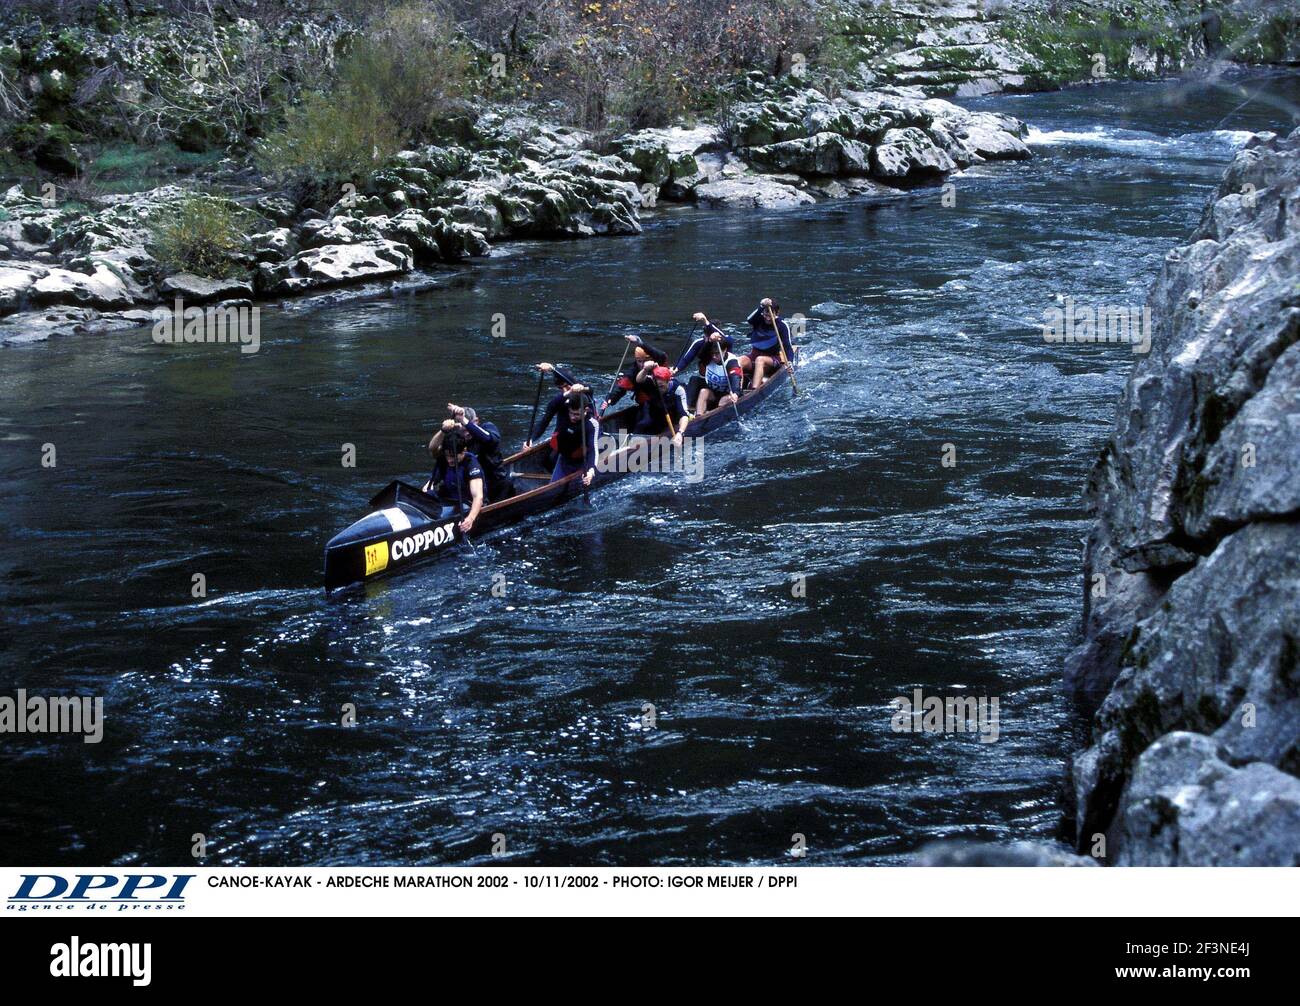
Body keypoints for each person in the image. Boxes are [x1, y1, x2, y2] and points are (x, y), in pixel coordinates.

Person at [428, 403, 512, 502]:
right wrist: (443, 430)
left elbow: (489, 439)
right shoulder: (457, 439)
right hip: (466, 484)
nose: (466, 433)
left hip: (494, 483)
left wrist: (464, 420)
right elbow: (433, 450)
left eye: (468, 429)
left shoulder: (488, 427)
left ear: (476, 421)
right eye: (463, 430)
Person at [421, 429, 485, 534]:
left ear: (463, 451)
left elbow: (478, 497)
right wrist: (442, 431)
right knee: (428, 495)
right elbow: (432, 448)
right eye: (447, 456)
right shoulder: (444, 459)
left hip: (466, 504)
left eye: (453, 457)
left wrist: (470, 519)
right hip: (448, 500)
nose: (449, 460)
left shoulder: (471, 465)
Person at [677, 311, 741, 415]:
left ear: (724, 350)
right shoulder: (708, 356)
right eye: (712, 354)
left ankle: (715, 413)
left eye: (717, 354)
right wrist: (675, 369)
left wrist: (735, 393)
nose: (714, 357)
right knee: (701, 389)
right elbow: (695, 357)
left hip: (727, 392)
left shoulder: (731, 361)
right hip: (713, 390)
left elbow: (735, 379)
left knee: (722, 401)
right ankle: (695, 415)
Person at [599, 334, 669, 416]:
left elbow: (659, 354)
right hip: (646, 404)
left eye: (645, 361)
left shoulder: (659, 361)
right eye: (639, 361)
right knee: (630, 425)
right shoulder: (632, 373)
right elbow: (620, 389)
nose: (642, 364)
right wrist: (609, 400)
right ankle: (625, 429)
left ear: (651, 359)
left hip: (665, 400)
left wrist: (639, 343)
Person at [545, 385, 598, 487]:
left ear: (585, 410)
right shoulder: (565, 410)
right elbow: (552, 405)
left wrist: (591, 470)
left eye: (577, 414)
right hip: (564, 459)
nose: (573, 417)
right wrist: (568, 393)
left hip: (581, 462)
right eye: (571, 413)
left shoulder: (591, 424)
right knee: (554, 485)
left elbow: (593, 449)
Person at [739, 297, 794, 389]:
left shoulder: (782, 325)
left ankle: (754, 390)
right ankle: (737, 390)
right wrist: (762, 305)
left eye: (771, 315)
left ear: (776, 313)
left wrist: (790, 362)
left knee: (760, 360)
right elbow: (749, 319)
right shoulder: (758, 320)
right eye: (766, 314)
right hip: (754, 355)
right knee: (739, 360)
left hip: (771, 360)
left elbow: (787, 347)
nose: (768, 318)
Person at [524, 362, 581, 449]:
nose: (564, 390)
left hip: (583, 433)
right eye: (561, 388)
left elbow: (589, 389)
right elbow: (544, 422)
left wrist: (553, 369)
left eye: (566, 386)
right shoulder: (557, 401)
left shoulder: (583, 390)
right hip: (565, 436)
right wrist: (531, 439)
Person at [632, 363, 691, 441]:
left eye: (661, 386)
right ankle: (630, 443)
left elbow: (683, 415)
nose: (659, 389)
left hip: (672, 415)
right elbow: (638, 380)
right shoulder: (651, 381)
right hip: (654, 412)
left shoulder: (678, 390)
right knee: (643, 424)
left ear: (668, 381)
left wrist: (680, 433)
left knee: (663, 428)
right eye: (657, 386)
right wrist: (645, 369)